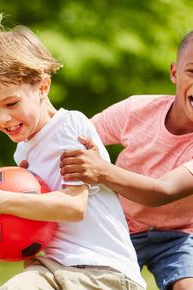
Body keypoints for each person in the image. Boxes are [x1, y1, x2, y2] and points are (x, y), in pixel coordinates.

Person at [0, 15, 146, 290]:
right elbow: (37, 219)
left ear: (43, 87)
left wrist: (1, 202)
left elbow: (73, 206)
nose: (4, 118)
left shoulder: (70, 128)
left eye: (11, 102)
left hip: (100, 271)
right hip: (49, 267)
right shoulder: (22, 152)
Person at [59, 31, 193, 290]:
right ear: (174, 74)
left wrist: (102, 171)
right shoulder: (136, 111)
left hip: (179, 236)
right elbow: (72, 139)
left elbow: (162, 191)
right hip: (119, 227)